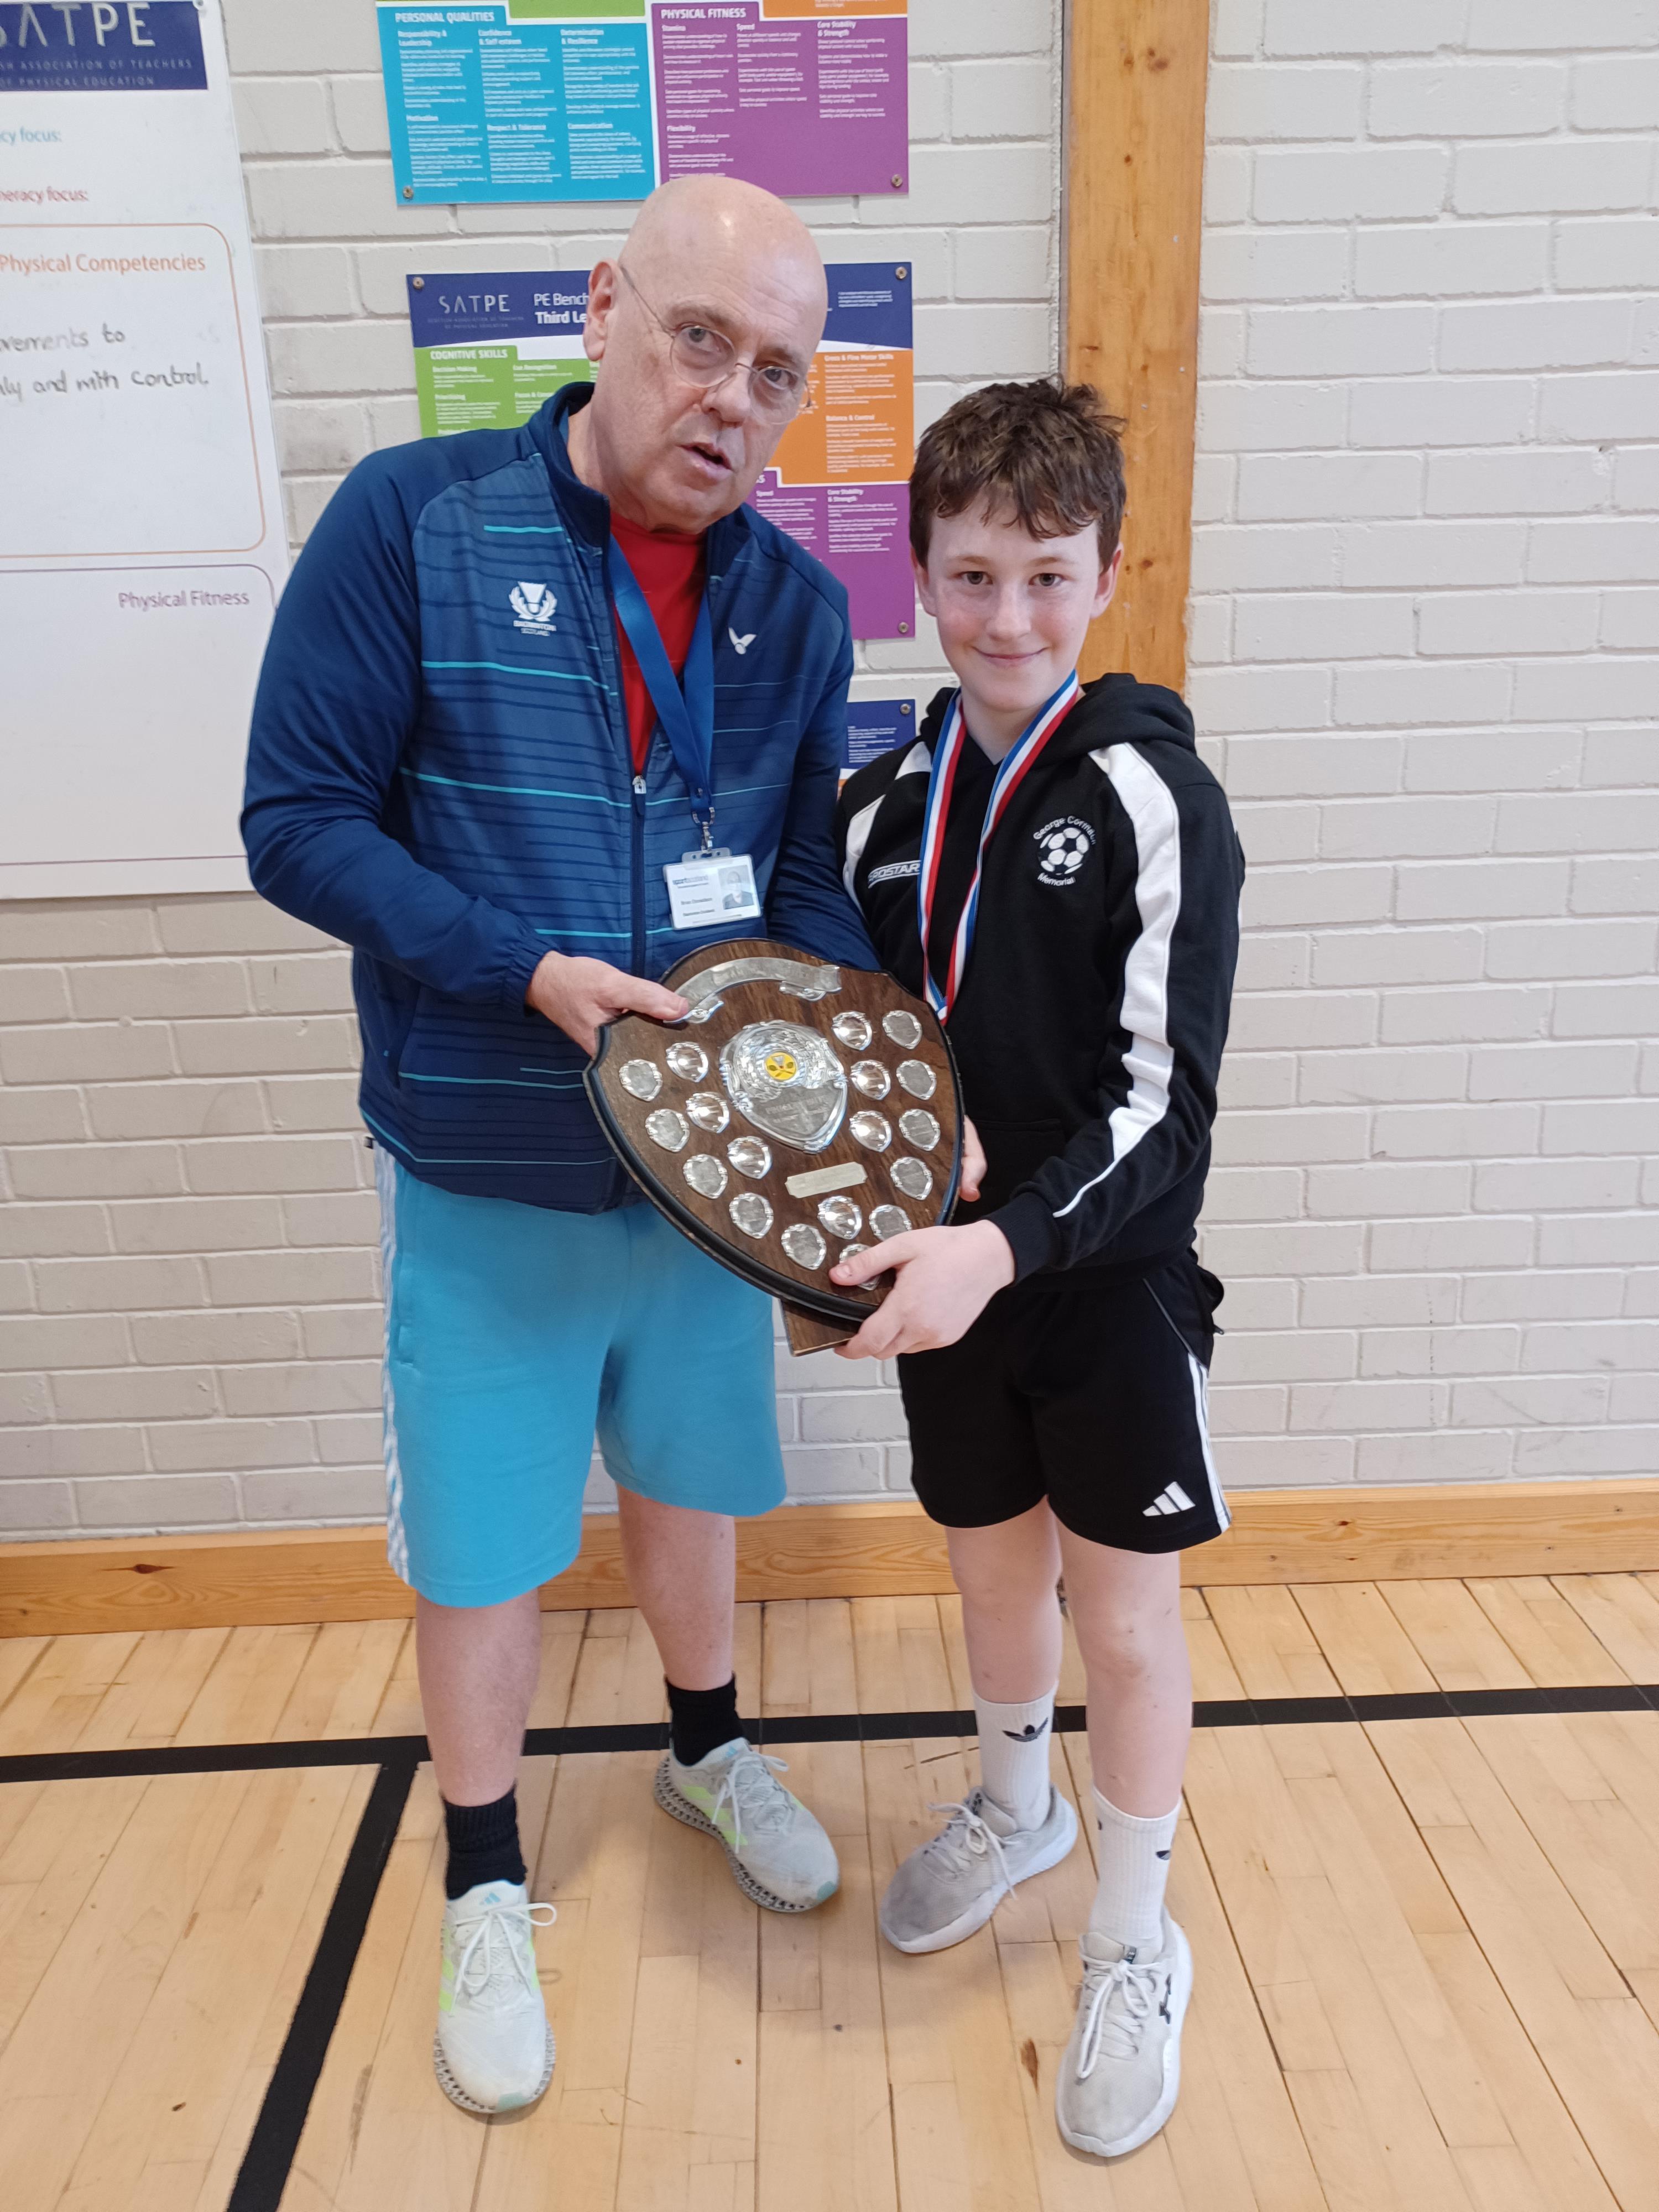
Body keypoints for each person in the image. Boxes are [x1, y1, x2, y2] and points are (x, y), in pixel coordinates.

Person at [242, 176, 880, 2117]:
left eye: (776, 373)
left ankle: (703, 1750)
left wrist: (823, 1109)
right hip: (482, 1164)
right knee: (490, 1545)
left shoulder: (796, 606)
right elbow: (297, 820)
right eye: (701, 341)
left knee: (692, 1488)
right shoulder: (410, 524)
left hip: (699, 1194)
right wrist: (516, 967)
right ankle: (488, 1875)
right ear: (605, 308)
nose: (733, 402)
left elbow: (798, 890)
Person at [831, 378, 1244, 2159]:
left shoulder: (1155, 794)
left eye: (1049, 576)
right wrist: (859, 1212)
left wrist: (1002, 1239)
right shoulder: (881, 805)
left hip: (1105, 1284)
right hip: (951, 1287)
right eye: (976, 574)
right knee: (991, 1576)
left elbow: (1168, 1120)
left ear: (1109, 570)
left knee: (1124, 1618)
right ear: (920, 568)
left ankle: (1139, 1942)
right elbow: (866, 1060)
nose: (1009, 618)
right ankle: (1019, 1809)